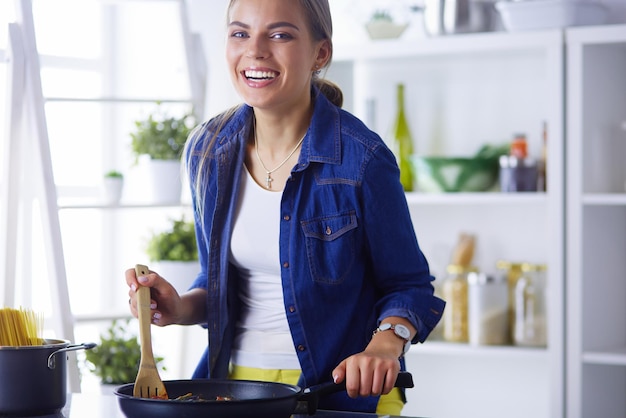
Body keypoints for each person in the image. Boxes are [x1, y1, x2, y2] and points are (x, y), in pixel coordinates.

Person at [126, 0, 445, 414]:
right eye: (240, 33)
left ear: (320, 53)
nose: (255, 50)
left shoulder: (362, 159)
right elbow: (219, 281)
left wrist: (384, 346)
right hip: (234, 388)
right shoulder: (207, 151)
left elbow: (410, 285)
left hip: (335, 392)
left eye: (279, 34)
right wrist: (179, 306)